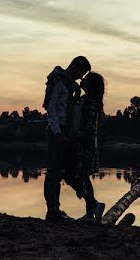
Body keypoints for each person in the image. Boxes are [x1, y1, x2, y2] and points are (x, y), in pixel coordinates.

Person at [42, 55, 90, 221]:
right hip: (58, 131)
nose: (81, 77)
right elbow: (52, 108)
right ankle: (52, 211)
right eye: (81, 73)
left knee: (61, 170)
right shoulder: (59, 82)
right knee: (54, 172)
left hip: (66, 131)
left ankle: (55, 209)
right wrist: (57, 133)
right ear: (75, 66)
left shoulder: (70, 86)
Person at [70, 72, 106, 222]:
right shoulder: (86, 99)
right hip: (81, 142)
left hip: (85, 144)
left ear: (90, 84)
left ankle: (91, 210)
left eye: (85, 78)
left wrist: (79, 136)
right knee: (79, 176)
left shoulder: (91, 101)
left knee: (82, 176)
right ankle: (92, 208)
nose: (81, 79)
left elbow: (89, 124)